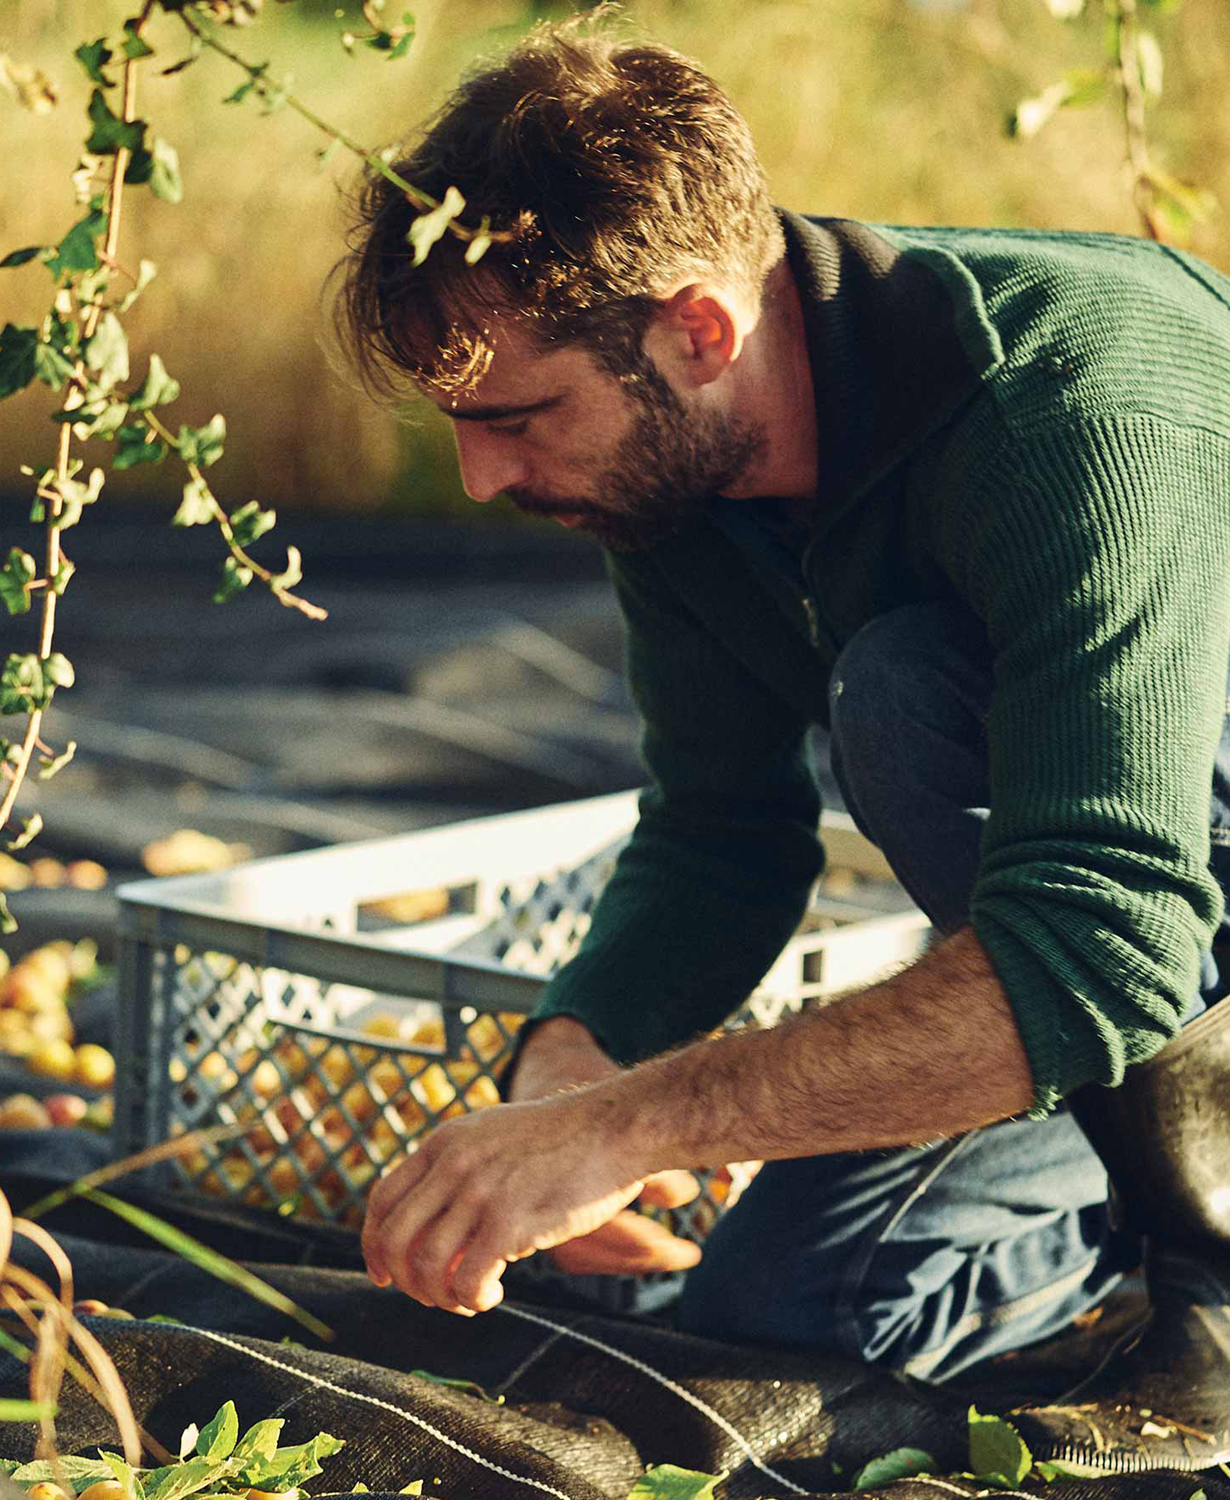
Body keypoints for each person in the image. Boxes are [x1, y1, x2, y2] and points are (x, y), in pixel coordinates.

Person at [340, 22, 1230, 1473]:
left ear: (699, 328)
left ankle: (1218, 1286)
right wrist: (569, 1077)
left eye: (516, 416)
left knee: (903, 688)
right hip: (1149, 987)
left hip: (1145, 927)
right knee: (778, 1315)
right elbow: (719, 835)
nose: (481, 475)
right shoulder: (670, 475)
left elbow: (1103, 940)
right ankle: (1132, 1187)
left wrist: (633, 1130)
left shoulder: (1071, 408)